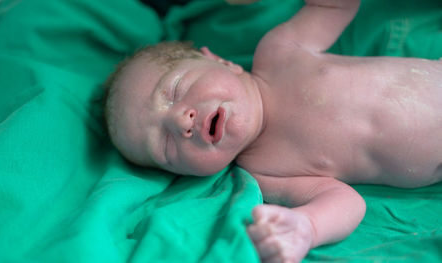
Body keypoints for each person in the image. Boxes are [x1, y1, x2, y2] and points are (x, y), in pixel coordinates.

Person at [103, 0, 442, 262]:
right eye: (164, 145)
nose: (180, 122)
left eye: (176, 89)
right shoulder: (266, 171)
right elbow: (345, 202)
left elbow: (334, 7)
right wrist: (307, 227)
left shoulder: (279, 51)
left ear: (220, 61)